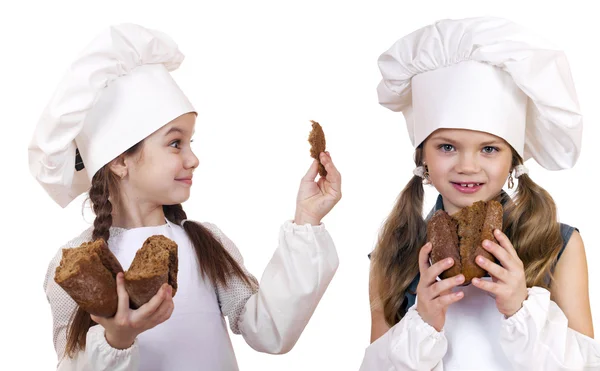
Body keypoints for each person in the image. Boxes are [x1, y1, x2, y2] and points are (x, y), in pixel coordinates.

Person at [29, 23, 342, 371]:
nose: (193, 159)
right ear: (120, 160)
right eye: (175, 143)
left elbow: (268, 329)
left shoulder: (204, 242)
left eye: (191, 142)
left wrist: (307, 219)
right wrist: (116, 339)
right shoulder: (74, 266)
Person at [360, 17, 600, 370]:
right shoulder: (394, 252)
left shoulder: (557, 245)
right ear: (422, 155)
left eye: (489, 149)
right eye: (446, 147)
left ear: (513, 159)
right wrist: (423, 321)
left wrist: (521, 308)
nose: (467, 166)